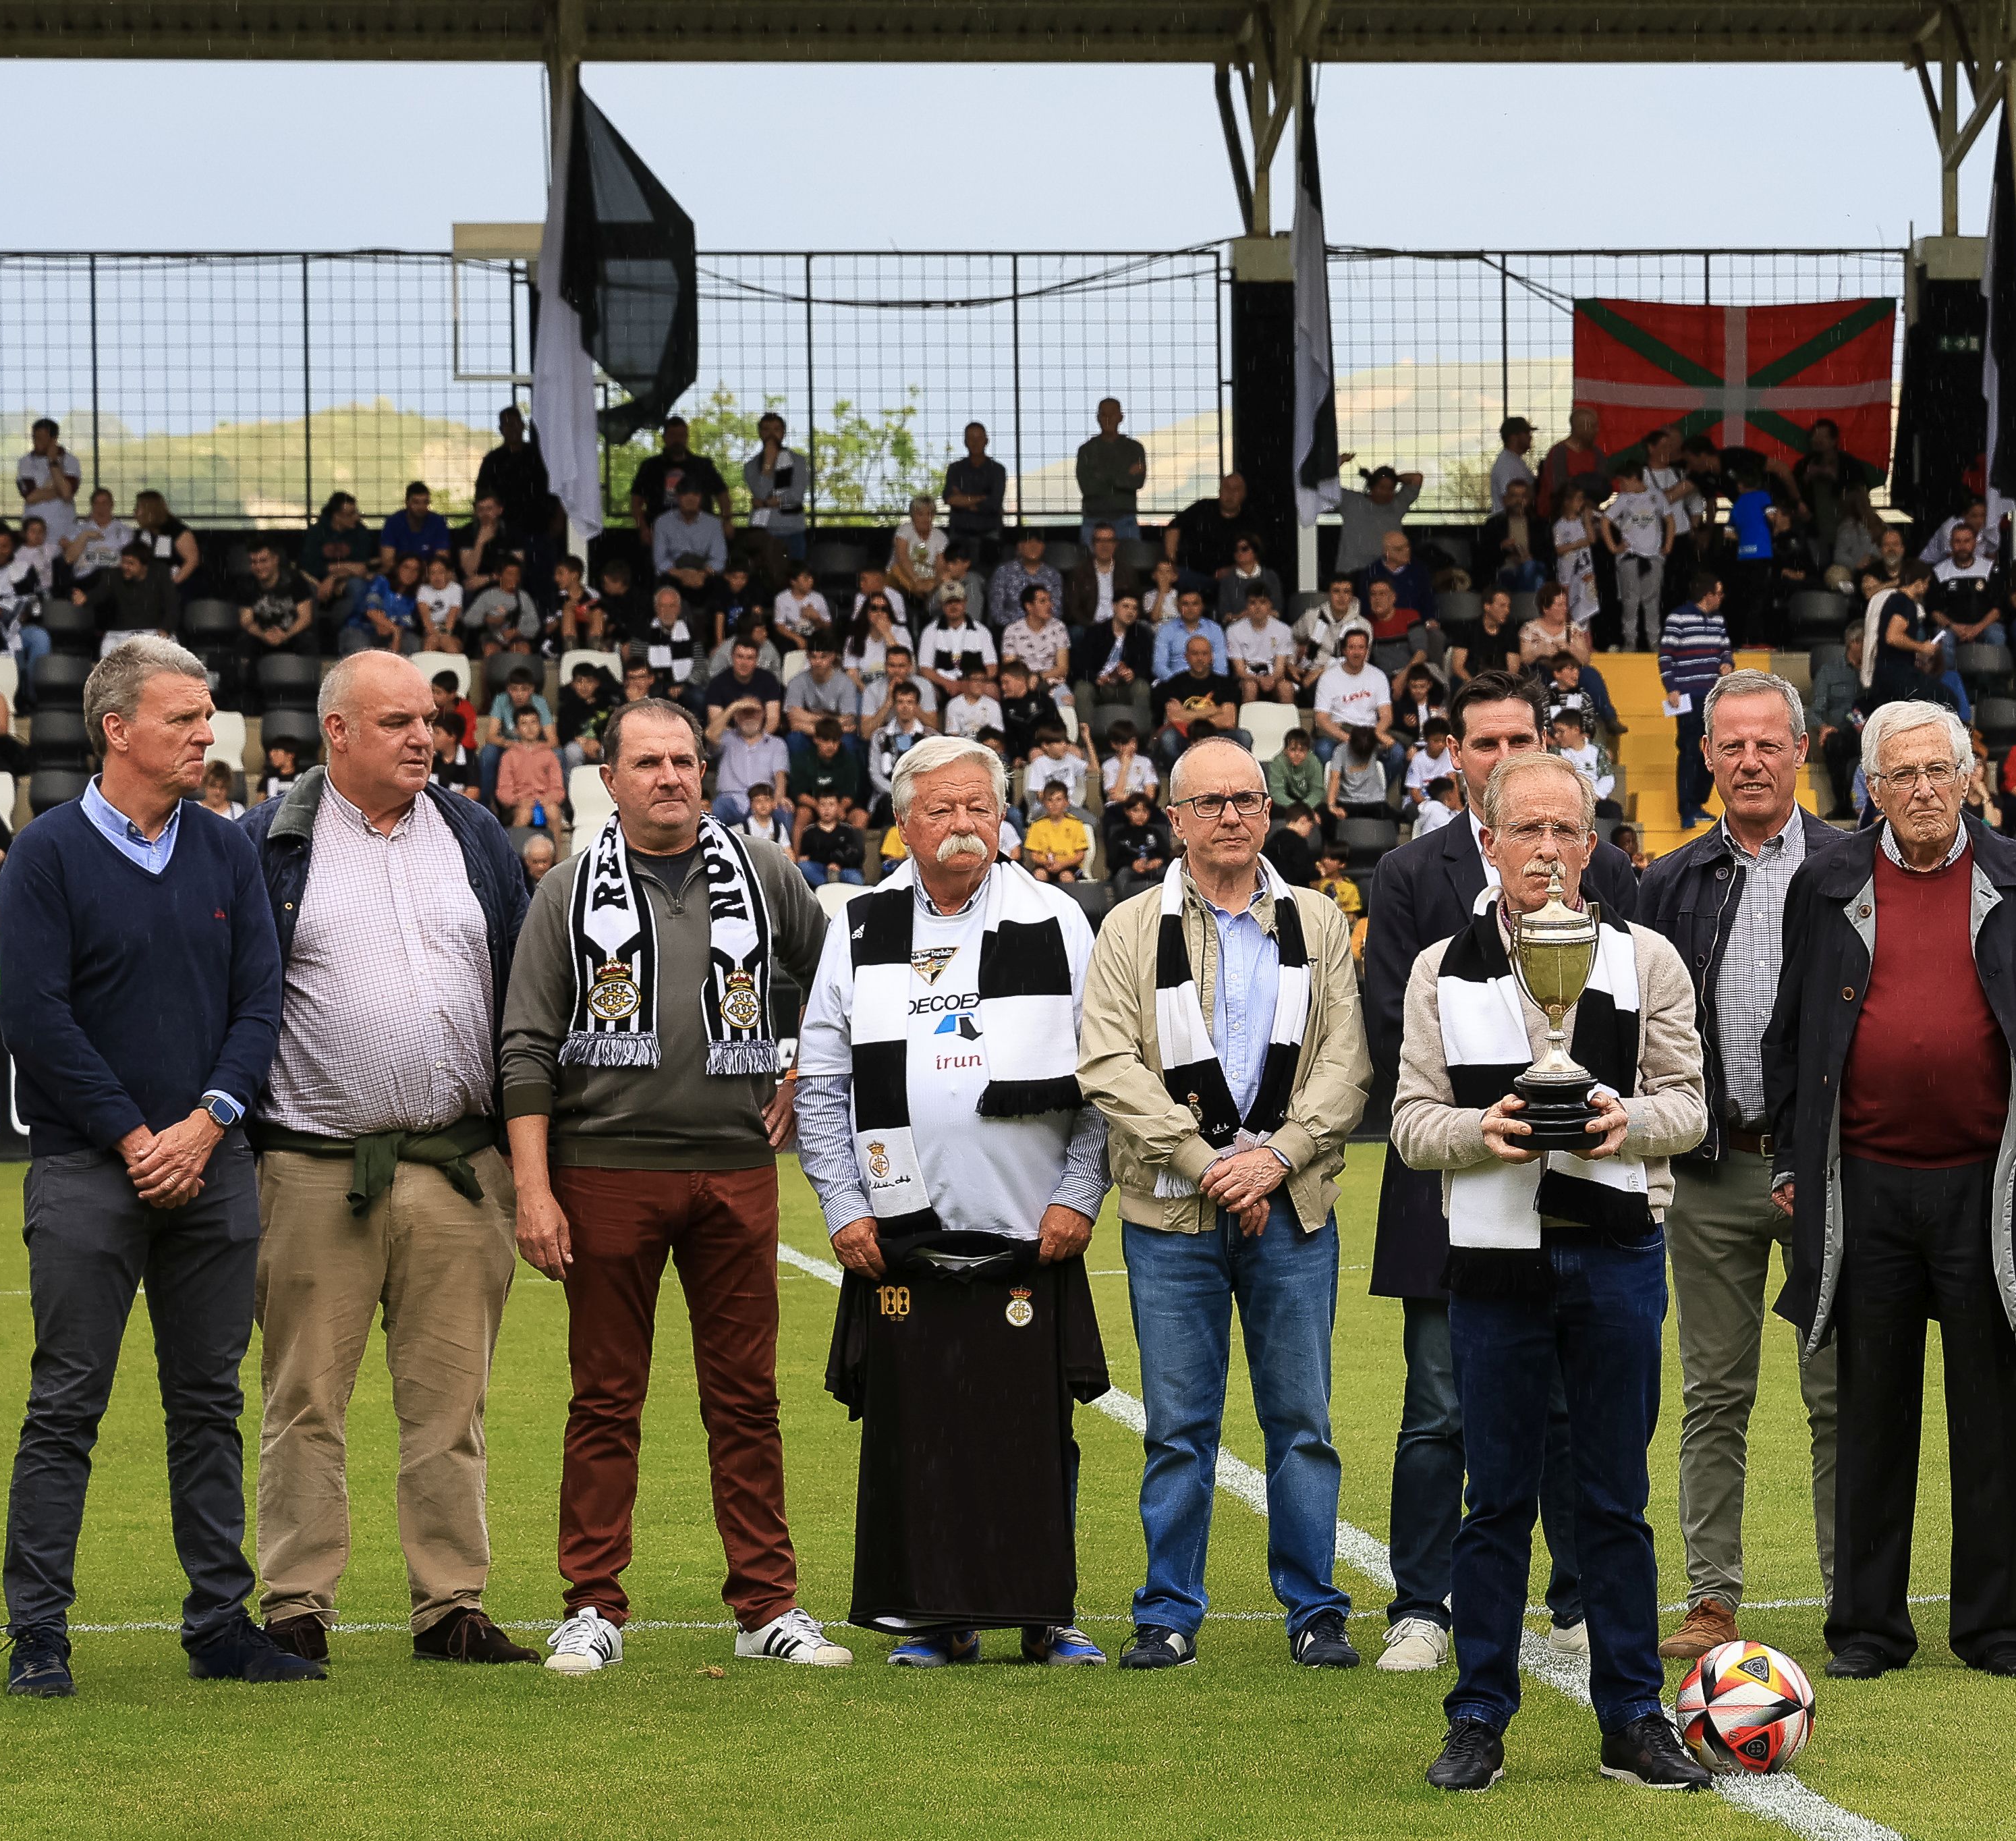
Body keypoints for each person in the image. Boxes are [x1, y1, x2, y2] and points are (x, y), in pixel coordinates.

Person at [0, 638, 309, 1699]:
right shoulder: (42, 855)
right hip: (88, 1170)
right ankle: (38, 1635)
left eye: (207, 716)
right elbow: (37, 1018)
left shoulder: (226, 850)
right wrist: (137, 1138)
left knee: (208, 1400)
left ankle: (220, 1623)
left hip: (213, 1165)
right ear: (117, 728)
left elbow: (260, 1001)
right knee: (66, 1405)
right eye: (183, 717)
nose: (205, 734)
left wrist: (208, 1122)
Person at [1392, 751, 1712, 1793]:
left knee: (1615, 1498)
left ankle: (1631, 1717)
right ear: (1488, 842)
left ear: (1592, 842)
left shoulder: (1646, 957)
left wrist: (1628, 1123)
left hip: (1616, 1252)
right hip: (1492, 1262)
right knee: (1497, 1504)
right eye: (1523, 831)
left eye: (1564, 831)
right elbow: (1406, 1125)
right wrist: (1479, 1131)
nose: (1545, 850)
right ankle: (1479, 1717)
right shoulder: (1443, 968)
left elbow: (1690, 1106)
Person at [502, 697, 843, 1674]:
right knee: (605, 1397)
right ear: (607, 780)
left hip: (737, 1173)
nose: (672, 777)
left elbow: (841, 979)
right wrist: (535, 1190)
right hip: (603, 1170)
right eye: (648, 762)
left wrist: (801, 1075)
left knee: (747, 1399)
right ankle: (594, 1604)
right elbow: (523, 1045)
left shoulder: (766, 870)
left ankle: (766, 1605)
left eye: (686, 760)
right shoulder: (567, 891)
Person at [1765, 700, 2016, 1681]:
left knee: (1995, 1417)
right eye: (1898, 775)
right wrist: (1790, 1159)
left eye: (1935, 772)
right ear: (1870, 789)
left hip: (1989, 1188)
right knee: (1871, 1415)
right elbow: (1792, 1038)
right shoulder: (1825, 882)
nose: (1919, 791)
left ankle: (1997, 1632)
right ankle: (1868, 1632)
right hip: (1863, 1187)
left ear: (1967, 778)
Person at [244, 653, 539, 1668]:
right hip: (314, 1168)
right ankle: (295, 1606)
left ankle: (451, 1604)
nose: (425, 738)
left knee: (452, 1405)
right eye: (398, 722)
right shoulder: (270, 843)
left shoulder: (471, 832)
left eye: (430, 721)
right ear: (336, 733)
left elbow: (525, 989)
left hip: (460, 1166)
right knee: (302, 1402)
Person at [795, 735, 1113, 1666]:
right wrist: (845, 1207)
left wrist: (1079, 1193)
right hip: (900, 1236)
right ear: (904, 825)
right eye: (942, 809)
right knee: (921, 1434)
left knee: (1032, 1435)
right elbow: (821, 1083)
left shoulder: (1056, 918)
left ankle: (1044, 1617)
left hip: (1032, 1233)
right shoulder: (857, 924)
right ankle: (934, 1618)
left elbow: (1102, 1076)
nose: (965, 824)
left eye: (980, 805)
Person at [1074, 734, 1371, 1671]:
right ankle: (1168, 1611)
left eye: (1245, 799)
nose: (1231, 816)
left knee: (1303, 1424)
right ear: (1175, 819)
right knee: (1178, 1428)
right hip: (1172, 1215)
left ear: (1270, 811)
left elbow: (1345, 1063)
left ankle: (1315, 1609)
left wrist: (1274, 1159)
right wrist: (1209, 1163)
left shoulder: (1317, 921)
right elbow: (1109, 1064)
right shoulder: (1128, 927)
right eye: (1209, 803)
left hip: (1294, 1211)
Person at [1356, 677, 1634, 1672]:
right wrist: (1493, 1120)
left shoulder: (1604, 872)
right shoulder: (1407, 875)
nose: (1503, 749)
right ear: (1457, 759)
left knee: (1564, 1403)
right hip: (1451, 1183)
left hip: (1577, 1188)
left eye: (1523, 734)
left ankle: (1572, 1600)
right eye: (1486, 740)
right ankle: (1422, 1604)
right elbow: (1395, 1027)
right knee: (1438, 1403)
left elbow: (1623, 1021)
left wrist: (1572, 1117)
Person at [1632, 668, 1847, 1664]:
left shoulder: (1855, 867)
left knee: (1839, 1388)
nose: (1751, 760)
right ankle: (1711, 1597)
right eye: (1733, 745)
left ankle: (1854, 1589)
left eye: (1770, 743)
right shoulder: (1668, 882)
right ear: (1708, 758)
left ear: (1801, 751)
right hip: (1713, 1168)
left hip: (1831, 1172)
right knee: (1714, 1393)